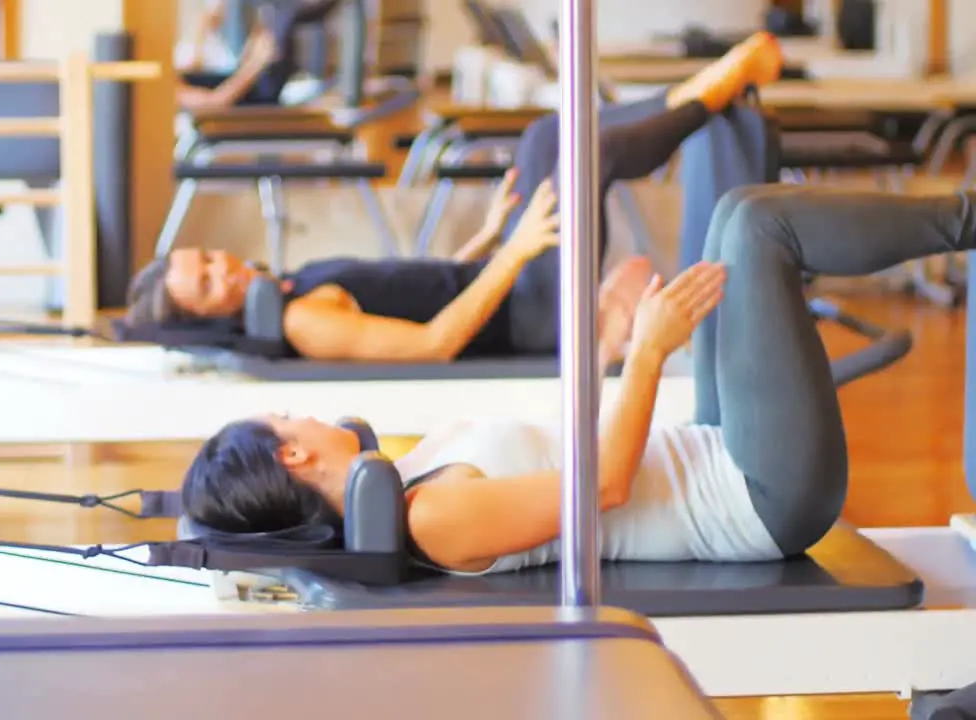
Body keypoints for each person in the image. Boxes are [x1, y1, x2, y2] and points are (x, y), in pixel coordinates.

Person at [179, 183, 976, 572]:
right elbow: (602, 486)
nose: (296, 414)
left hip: (709, 448)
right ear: (291, 458)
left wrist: (609, 347)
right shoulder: (431, 517)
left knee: (736, 213)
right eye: (284, 422)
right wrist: (653, 354)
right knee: (764, 229)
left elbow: (558, 449)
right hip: (754, 498)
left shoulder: (410, 477)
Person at [128, 32, 785, 361]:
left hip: (509, 280)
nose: (224, 266)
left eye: (209, 258)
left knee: (549, 135)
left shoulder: (287, 288)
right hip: (536, 317)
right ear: (214, 320)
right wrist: (519, 249)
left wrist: (491, 234)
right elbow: (434, 343)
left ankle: (698, 93)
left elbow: (422, 285)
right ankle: (717, 85)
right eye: (209, 283)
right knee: (591, 158)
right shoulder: (303, 322)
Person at [177, 0, 344, 112]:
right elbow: (215, 103)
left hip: (252, 93)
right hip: (251, 108)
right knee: (286, 19)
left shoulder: (171, 74)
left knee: (279, 18)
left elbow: (197, 64)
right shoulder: (164, 90)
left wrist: (251, 54)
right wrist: (256, 63)